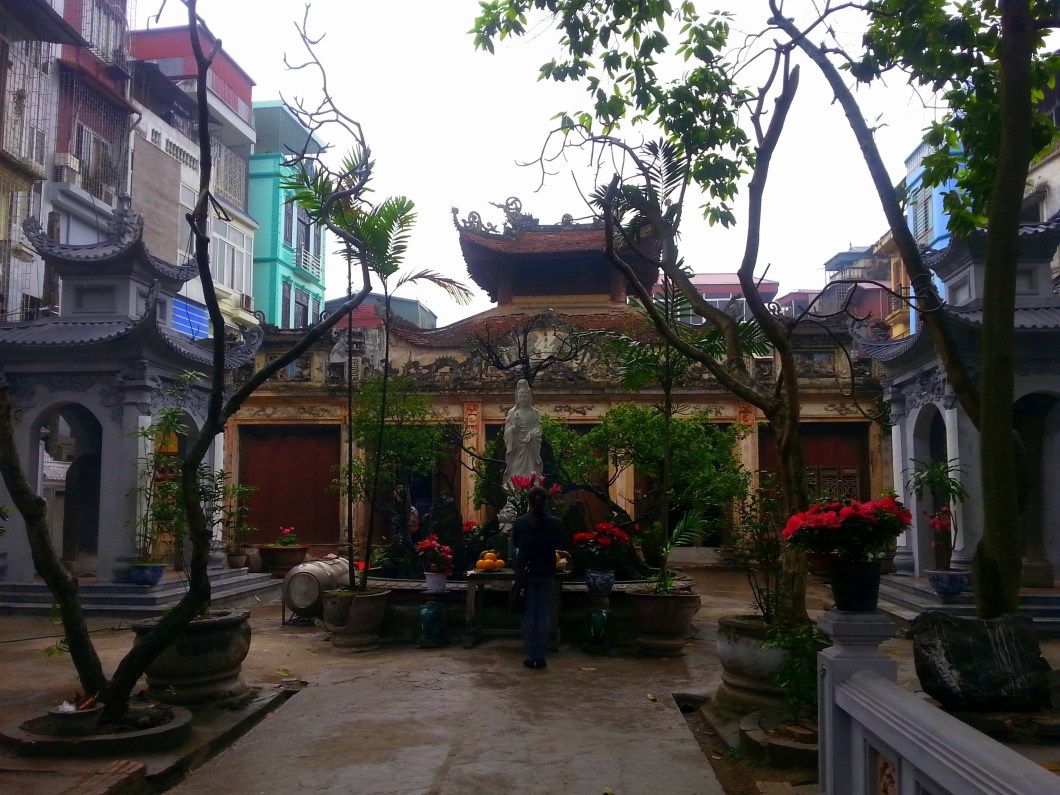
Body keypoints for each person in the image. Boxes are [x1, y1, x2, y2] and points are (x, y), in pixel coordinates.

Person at [514, 485, 562, 670]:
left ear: (528, 502)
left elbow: (517, 543)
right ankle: (540, 656)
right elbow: (559, 543)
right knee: (543, 613)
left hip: (526, 572)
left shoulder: (521, 522)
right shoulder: (555, 523)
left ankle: (530, 655)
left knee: (528, 614)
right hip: (546, 571)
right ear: (546, 502)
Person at [502, 378, 543, 487]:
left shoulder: (534, 413)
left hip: (529, 448)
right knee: (515, 472)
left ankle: (530, 488)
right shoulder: (512, 413)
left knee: (530, 472)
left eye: (525, 396)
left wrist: (532, 434)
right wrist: (514, 428)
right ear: (516, 397)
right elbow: (507, 431)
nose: (522, 399)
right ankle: (515, 491)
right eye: (520, 396)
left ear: (529, 397)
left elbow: (538, 428)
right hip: (516, 449)